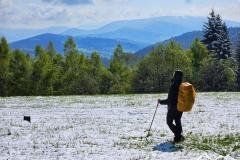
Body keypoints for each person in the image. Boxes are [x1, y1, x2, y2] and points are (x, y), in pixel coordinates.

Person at [158, 70, 184, 143]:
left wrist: (161, 102)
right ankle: (179, 136)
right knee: (177, 121)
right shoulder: (181, 85)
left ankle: (178, 136)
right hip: (180, 107)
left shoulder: (174, 86)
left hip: (172, 108)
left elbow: (170, 100)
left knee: (169, 122)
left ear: (175, 76)